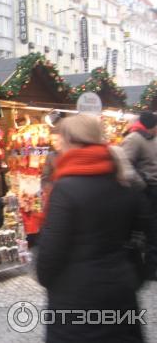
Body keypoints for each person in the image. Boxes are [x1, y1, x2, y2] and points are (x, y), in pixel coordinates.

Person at [37, 114, 151, 343]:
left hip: (75, 295)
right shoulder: (124, 180)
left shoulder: (66, 187)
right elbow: (149, 230)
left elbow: (50, 252)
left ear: (71, 142)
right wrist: (137, 274)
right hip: (120, 289)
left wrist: (50, 281)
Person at [122, 111, 157, 278]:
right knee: (147, 229)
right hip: (144, 192)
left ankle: (150, 267)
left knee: (153, 230)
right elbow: (125, 166)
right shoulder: (134, 138)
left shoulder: (151, 138)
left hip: (151, 190)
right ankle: (144, 268)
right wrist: (142, 184)